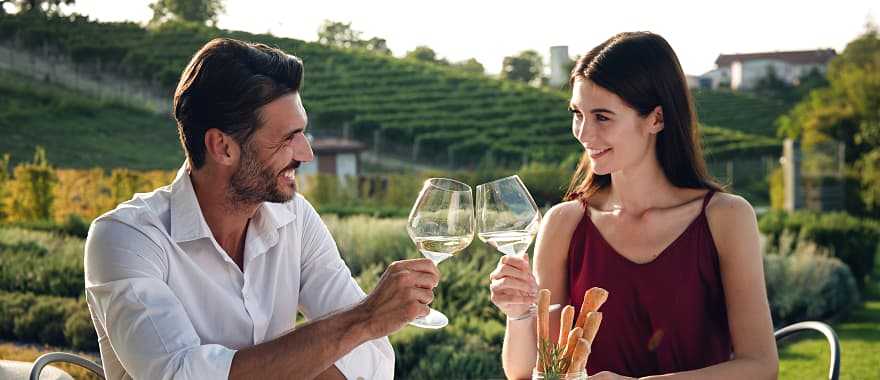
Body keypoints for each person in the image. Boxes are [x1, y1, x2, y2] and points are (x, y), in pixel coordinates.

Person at [84, 38, 440, 380]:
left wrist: (338, 338)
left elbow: (370, 358)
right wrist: (363, 319)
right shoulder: (126, 237)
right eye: (288, 138)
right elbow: (179, 374)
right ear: (222, 147)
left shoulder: (296, 219)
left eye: (304, 134)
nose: (306, 154)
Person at [488, 32, 778, 380]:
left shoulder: (725, 217)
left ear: (656, 119)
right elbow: (527, 372)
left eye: (602, 117)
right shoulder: (564, 223)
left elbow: (761, 367)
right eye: (577, 113)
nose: (583, 132)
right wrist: (519, 314)